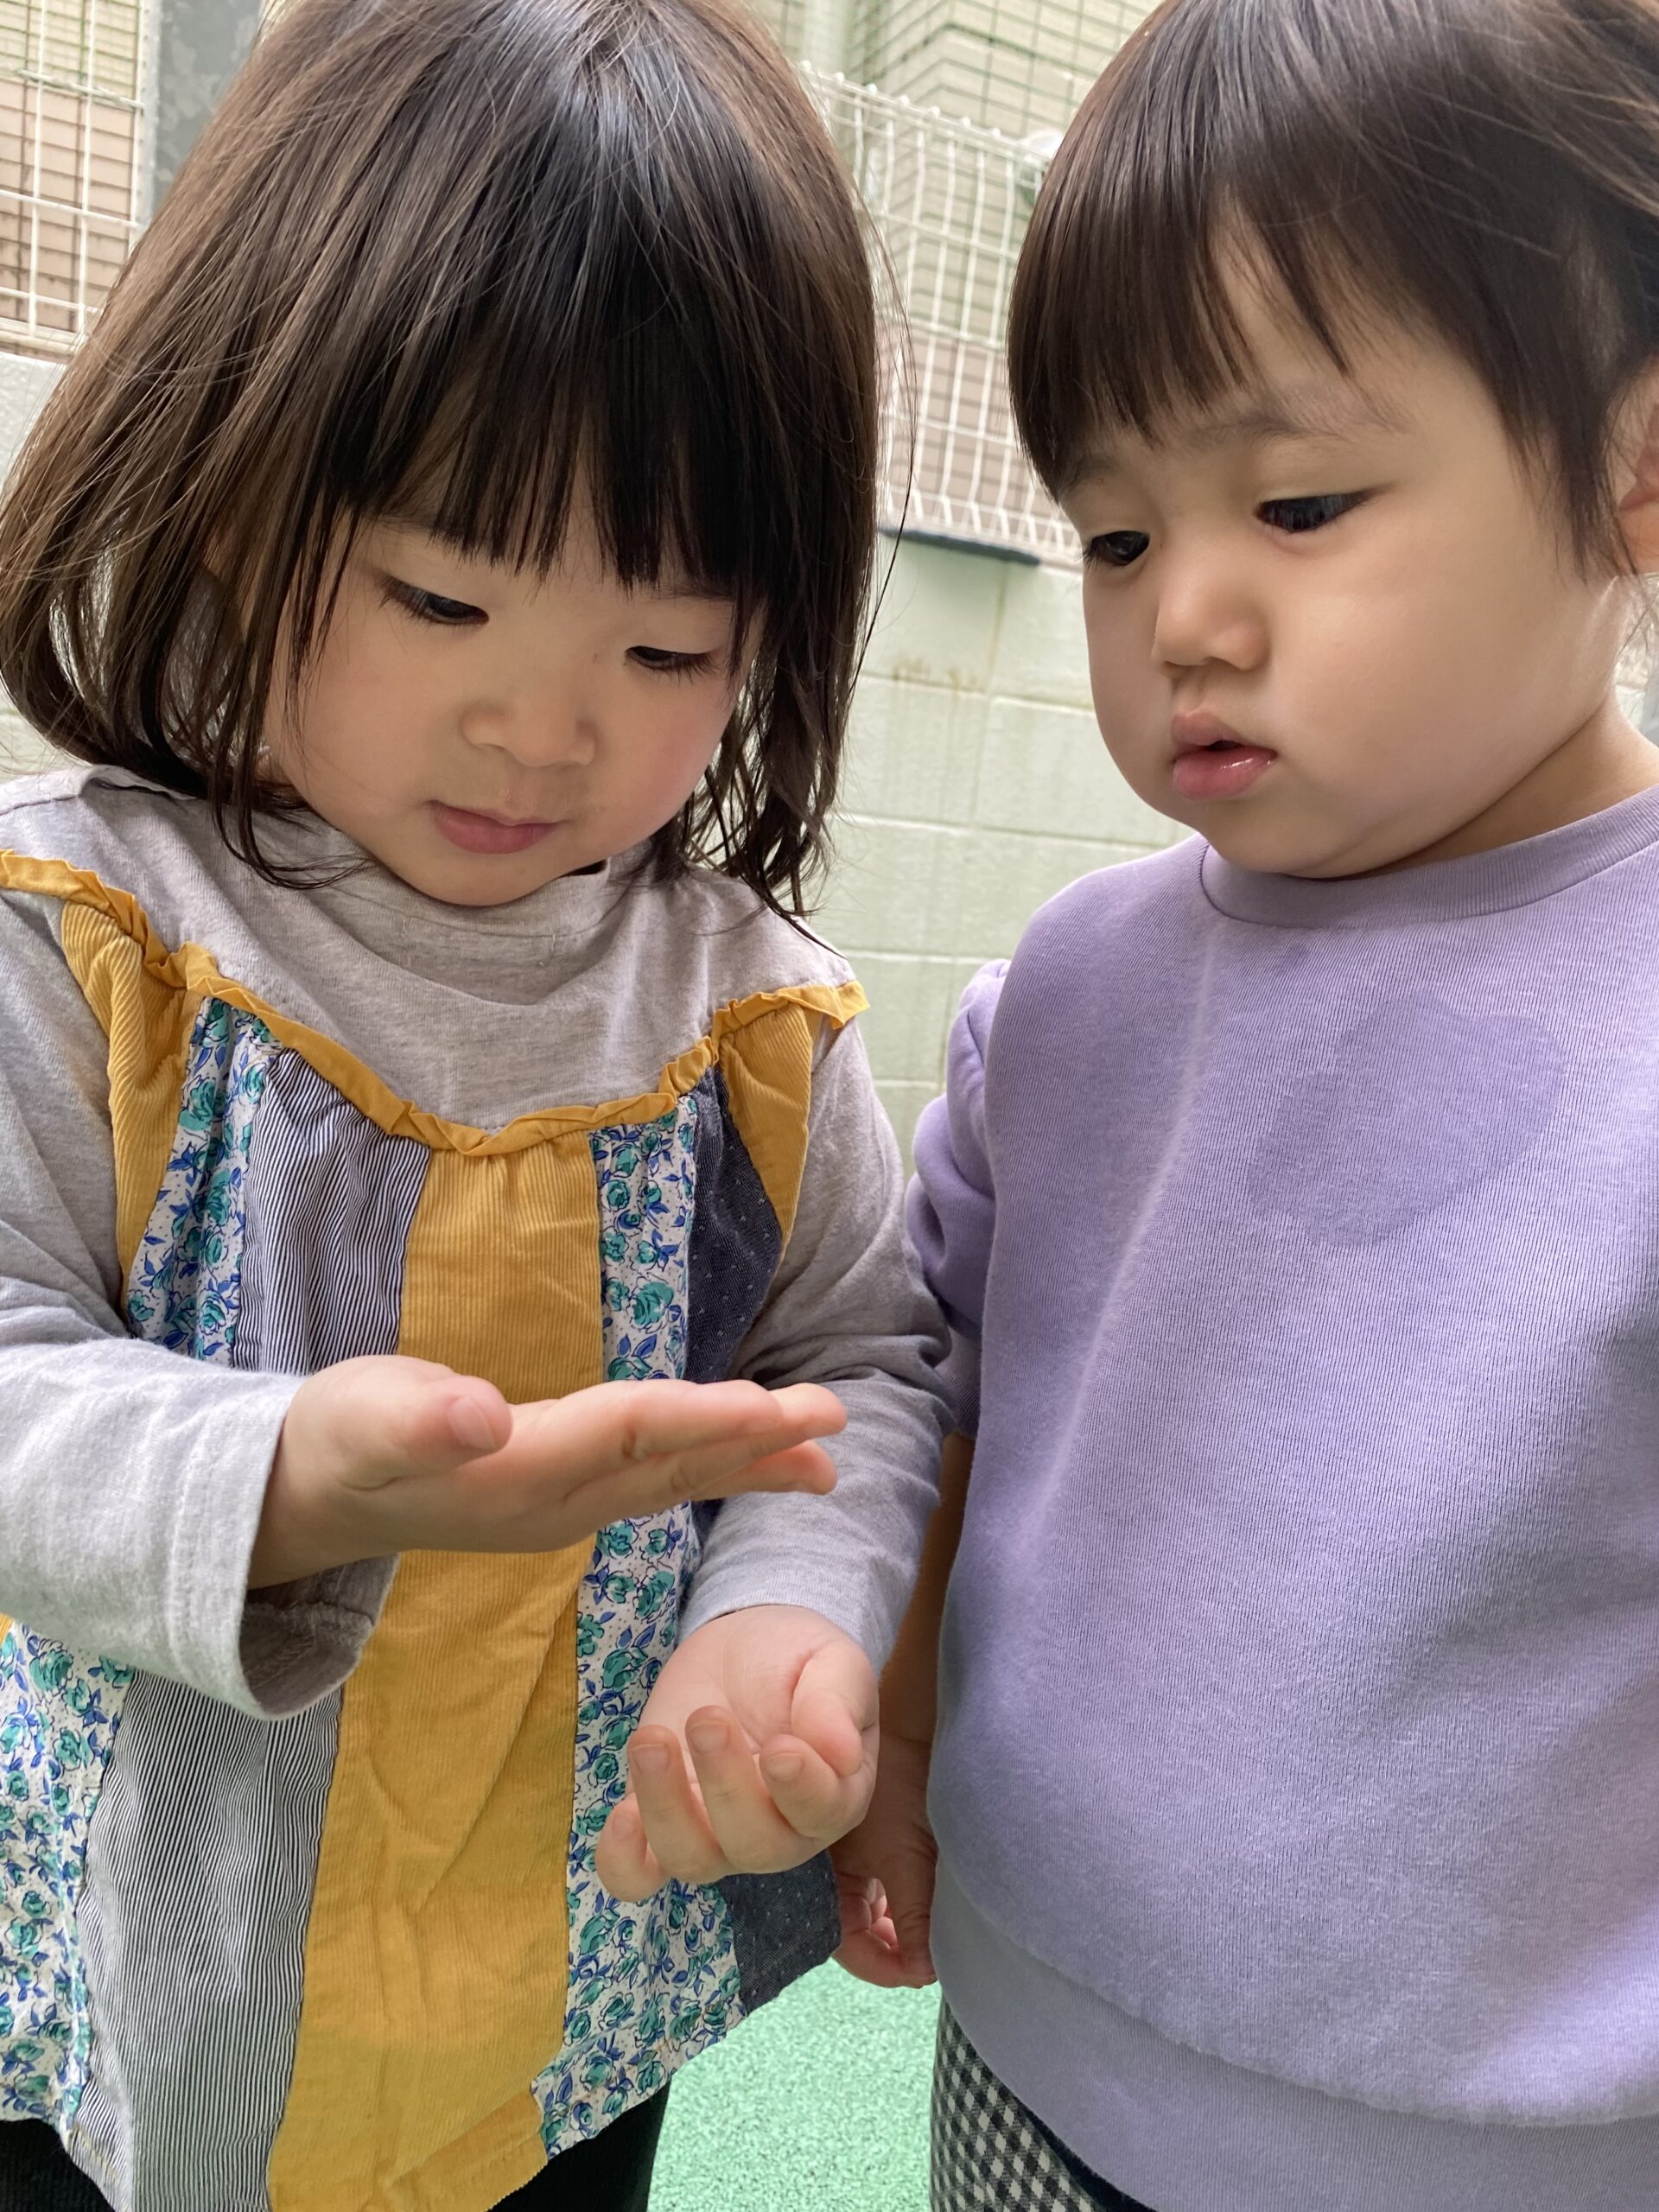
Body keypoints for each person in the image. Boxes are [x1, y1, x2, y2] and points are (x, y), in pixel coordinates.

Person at [0, 2, 947, 2206]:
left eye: (668, 646)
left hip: (563, 2008)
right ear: (230, 490)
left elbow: (860, 1367)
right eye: (441, 595)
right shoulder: (89, 937)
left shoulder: (750, 1025)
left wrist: (786, 1607)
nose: (541, 729)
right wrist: (279, 1473)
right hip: (116, 2002)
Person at [831, 1, 1659, 2206]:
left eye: (1298, 502)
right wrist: (895, 1737)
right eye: (1113, 536)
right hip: (1026, 2049)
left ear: (1634, 469)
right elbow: (948, 1397)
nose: (1186, 612)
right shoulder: (1075, 998)